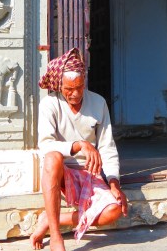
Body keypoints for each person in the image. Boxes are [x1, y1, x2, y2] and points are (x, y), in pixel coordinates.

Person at [30, 48, 127, 251]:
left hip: (89, 173)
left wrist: (114, 182)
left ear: (84, 83)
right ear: (59, 85)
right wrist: (79, 145)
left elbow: (107, 147)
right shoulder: (50, 104)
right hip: (61, 174)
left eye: (79, 87)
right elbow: (45, 144)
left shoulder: (98, 103)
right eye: (68, 89)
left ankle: (51, 219)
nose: (74, 94)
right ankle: (56, 236)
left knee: (114, 211)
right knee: (52, 157)